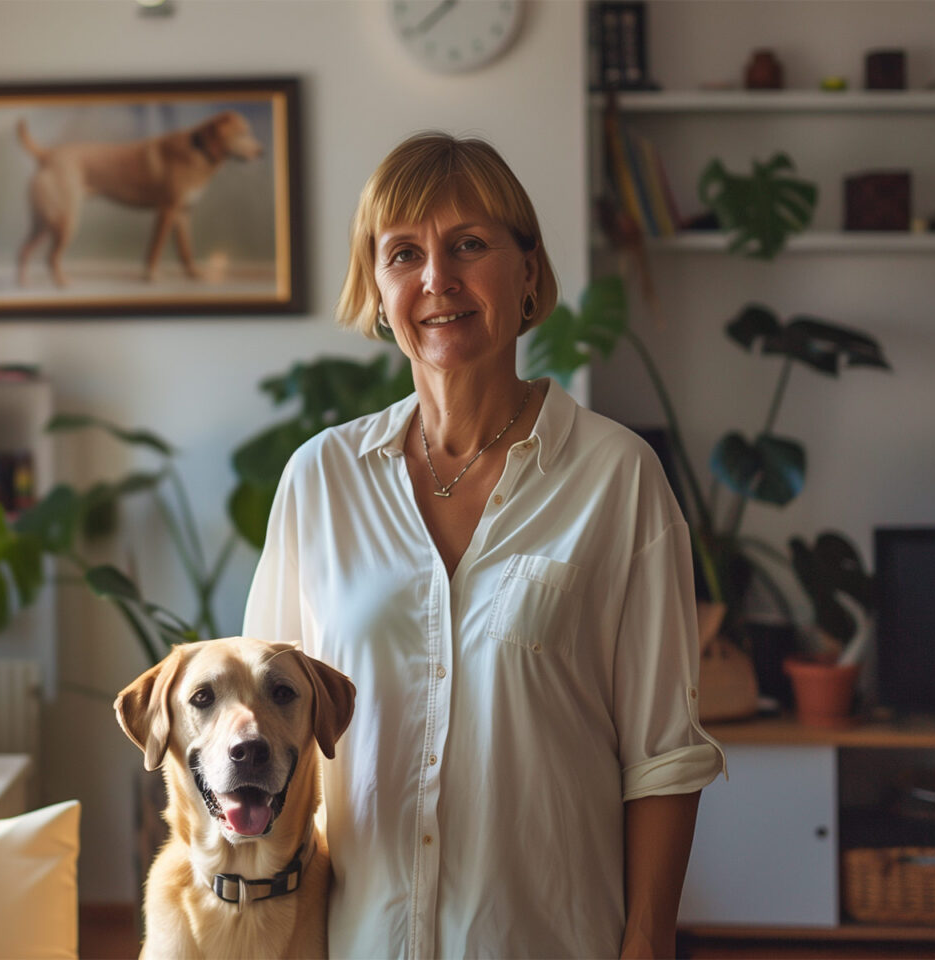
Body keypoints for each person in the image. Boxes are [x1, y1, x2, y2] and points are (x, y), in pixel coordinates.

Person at [243, 133, 726, 959]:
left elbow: (662, 758)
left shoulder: (617, 477)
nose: (438, 280)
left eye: (469, 244)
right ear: (377, 285)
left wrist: (647, 944)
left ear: (527, 272)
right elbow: (266, 736)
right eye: (404, 253)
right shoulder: (320, 480)